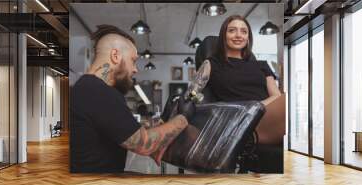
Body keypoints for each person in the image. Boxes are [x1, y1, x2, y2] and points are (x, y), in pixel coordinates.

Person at [70, 24, 195, 173]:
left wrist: (162, 127)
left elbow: (132, 134)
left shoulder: (89, 88)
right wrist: (183, 117)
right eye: (133, 60)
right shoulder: (99, 93)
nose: (135, 69)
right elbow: (143, 143)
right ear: (115, 56)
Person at [185, 15, 283, 144]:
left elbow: (276, 96)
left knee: (288, 99)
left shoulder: (262, 65)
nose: (238, 35)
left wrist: (255, 107)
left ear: (248, 38)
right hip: (237, 119)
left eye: (244, 31)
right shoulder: (211, 63)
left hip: (264, 114)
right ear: (223, 36)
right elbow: (191, 93)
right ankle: (245, 138)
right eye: (232, 30)